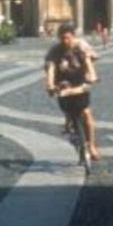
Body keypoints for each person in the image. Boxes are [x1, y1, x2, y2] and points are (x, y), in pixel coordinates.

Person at [44, 23, 100, 162]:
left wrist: (92, 75)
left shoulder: (81, 45)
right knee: (66, 106)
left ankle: (92, 146)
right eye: (62, 38)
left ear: (73, 36)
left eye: (68, 38)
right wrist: (50, 85)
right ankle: (69, 121)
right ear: (58, 38)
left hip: (79, 80)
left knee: (86, 113)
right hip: (63, 81)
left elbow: (88, 61)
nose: (65, 41)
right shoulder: (55, 50)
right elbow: (50, 69)